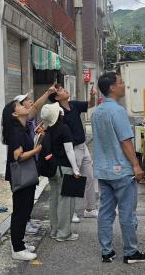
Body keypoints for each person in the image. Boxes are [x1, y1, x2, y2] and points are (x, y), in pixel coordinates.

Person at [92, 72, 145, 265]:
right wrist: (136, 165)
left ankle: (106, 251)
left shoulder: (97, 112)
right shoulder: (118, 111)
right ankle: (131, 252)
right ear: (112, 87)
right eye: (121, 82)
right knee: (127, 213)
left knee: (105, 212)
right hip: (122, 170)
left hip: (103, 170)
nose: (124, 85)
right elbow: (125, 141)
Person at [48, 83, 98, 222]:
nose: (65, 90)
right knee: (72, 180)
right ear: (57, 97)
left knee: (89, 178)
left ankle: (90, 209)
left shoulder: (73, 104)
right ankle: (71, 212)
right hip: (71, 148)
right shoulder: (58, 112)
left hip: (83, 146)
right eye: (61, 90)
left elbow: (90, 104)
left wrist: (92, 95)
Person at [14, 88, 60, 235]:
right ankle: (23, 224)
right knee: (23, 197)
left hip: (31, 162)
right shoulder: (19, 124)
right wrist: (47, 93)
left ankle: (27, 219)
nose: (30, 102)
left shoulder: (29, 122)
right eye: (26, 101)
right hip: (24, 165)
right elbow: (19, 156)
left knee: (29, 195)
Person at [2, 99, 42, 261]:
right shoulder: (16, 132)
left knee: (24, 210)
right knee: (20, 212)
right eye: (19, 105)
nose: (24, 105)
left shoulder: (22, 128)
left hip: (26, 174)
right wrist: (37, 150)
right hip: (21, 176)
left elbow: (34, 108)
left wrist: (38, 137)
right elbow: (18, 156)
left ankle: (19, 243)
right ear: (14, 113)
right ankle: (17, 249)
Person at [40, 103, 81, 242]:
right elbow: (69, 150)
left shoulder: (47, 130)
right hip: (64, 168)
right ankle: (64, 233)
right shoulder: (64, 128)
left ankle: (54, 230)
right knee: (65, 201)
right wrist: (76, 169)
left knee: (54, 200)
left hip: (52, 169)